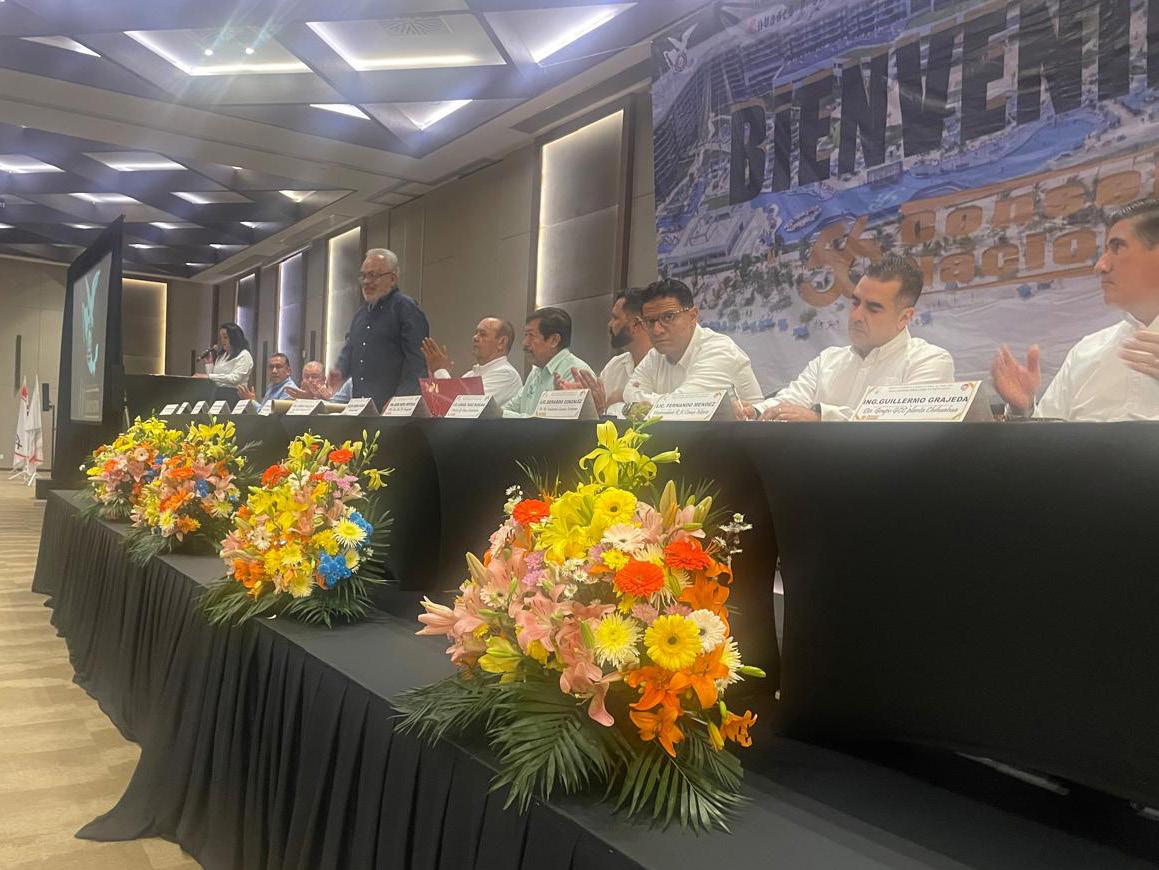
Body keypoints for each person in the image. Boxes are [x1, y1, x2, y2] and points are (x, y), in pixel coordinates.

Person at [992, 198, 1159, 420]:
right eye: (1105, 251)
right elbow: (1047, 437)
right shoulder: (1087, 351)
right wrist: (1022, 411)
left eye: (1117, 247)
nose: (1100, 266)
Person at [745, 255, 955, 421]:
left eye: (873, 308)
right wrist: (752, 412)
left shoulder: (929, 362)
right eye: (855, 302)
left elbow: (900, 428)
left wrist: (820, 417)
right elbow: (790, 400)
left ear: (905, 317)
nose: (856, 316)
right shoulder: (827, 361)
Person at [622, 278, 763, 408]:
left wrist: (641, 403)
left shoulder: (720, 350)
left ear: (693, 316)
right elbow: (629, 394)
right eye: (650, 321)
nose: (657, 330)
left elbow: (685, 407)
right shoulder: (655, 356)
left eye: (668, 317)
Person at [329, 248, 429, 407]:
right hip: (361, 408)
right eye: (363, 276)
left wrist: (400, 400)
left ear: (392, 279)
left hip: (394, 410)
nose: (366, 281)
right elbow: (351, 348)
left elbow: (417, 361)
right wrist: (340, 370)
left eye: (373, 275)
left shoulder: (406, 309)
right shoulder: (361, 314)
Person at [556, 287, 652, 416]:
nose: (610, 324)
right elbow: (600, 413)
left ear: (635, 324)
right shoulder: (615, 365)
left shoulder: (662, 364)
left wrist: (617, 401)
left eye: (615, 318)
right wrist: (582, 400)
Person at [503, 308, 594, 417]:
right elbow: (512, 408)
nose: (525, 343)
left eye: (531, 335)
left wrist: (498, 414)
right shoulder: (537, 371)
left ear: (554, 340)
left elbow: (547, 423)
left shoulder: (576, 373)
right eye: (525, 335)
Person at [420, 317, 523, 407]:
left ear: (501, 342)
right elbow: (443, 405)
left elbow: (462, 406)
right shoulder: (471, 374)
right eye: (476, 333)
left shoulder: (506, 374)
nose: (475, 337)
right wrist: (434, 372)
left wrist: (440, 370)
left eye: (482, 334)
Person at [195, 322, 254, 388]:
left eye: (225, 337)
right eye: (221, 338)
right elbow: (214, 378)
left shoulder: (244, 355)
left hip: (235, 392)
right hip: (218, 391)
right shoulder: (222, 355)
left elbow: (235, 378)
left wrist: (209, 376)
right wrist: (209, 363)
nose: (222, 341)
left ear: (235, 339)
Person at [287, 360, 352, 403]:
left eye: (314, 377)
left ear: (324, 379)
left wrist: (326, 399)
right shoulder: (296, 394)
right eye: (306, 377)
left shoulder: (333, 394)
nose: (310, 380)